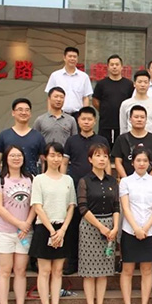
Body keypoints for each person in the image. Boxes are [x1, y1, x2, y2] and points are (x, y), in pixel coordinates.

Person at [29, 142, 76, 304]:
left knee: (57, 271)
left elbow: (71, 206)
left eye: (59, 155)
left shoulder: (68, 180)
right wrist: (52, 231)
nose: (56, 159)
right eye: (52, 155)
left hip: (62, 229)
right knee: (45, 271)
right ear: (45, 157)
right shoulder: (39, 179)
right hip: (44, 228)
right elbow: (37, 206)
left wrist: (62, 230)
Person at [0, 145, 35, 304]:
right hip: (4, 232)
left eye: (19, 155)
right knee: (5, 271)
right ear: (6, 159)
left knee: (21, 271)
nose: (16, 158)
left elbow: (35, 205)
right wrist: (19, 224)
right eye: (12, 155)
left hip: (24, 233)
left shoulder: (30, 179)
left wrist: (27, 224)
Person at [61, 106, 110, 275]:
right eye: (83, 119)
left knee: (97, 223)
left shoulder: (102, 140)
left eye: (90, 119)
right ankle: (73, 262)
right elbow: (64, 163)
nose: (86, 122)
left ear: (95, 121)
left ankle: (97, 261)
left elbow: (106, 163)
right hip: (75, 187)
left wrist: (108, 182)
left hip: (97, 188)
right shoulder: (71, 141)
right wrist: (63, 182)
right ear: (78, 121)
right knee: (74, 225)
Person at [77, 143, 120, 304]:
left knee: (103, 272)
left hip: (110, 226)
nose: (102, 159)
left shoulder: (112, 181)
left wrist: (115, 227)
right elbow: (82, 208)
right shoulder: (84, 181)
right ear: (90, 159)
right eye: (97, 155)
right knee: (89, 273)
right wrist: (100, 227)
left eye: (104, 156)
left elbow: (116, 206)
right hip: (90, 227)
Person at [119, 147, 152, 304]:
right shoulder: (126, 182)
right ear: (132, 163)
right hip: (130, 230)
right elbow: (125, 207)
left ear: (150, 163)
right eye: (138, 160)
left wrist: (145, 227)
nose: (142, 163)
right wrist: (136, 228)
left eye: (145, 160)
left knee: (147, 270)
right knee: (127, 270)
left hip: (150, 231)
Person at [0, 98, 46, 175]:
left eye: (27, 110)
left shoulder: (38, 136)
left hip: (31, 179)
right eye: (20, 110)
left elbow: (44, 161)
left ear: (30, 114)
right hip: (8, 179)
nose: (24, 113)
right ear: (13, 113)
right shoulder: (4, 135)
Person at [92, 54, 134, 147]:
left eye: (117, 64)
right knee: (103, 147)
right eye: (112, 65)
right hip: (106, 123)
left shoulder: (128, 84)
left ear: (121, 67)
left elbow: (132, 101)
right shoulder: (101, 84)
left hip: (122, 123)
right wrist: (104, 110)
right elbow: (95, 101)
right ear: (108, 67)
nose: (114, 67)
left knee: (121, 148)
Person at [112, 105, 152, 178]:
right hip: (127, 179)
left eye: (142, 117)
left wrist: (148, 179)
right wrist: (126, 180)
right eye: (136, 117)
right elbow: (118, 162)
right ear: (130, 119)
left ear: (146, 120)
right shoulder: (121, 139)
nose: (139, 120)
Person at [44, 47, 93, 118]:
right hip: (59, 114)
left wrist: (85, 116)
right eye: (70, 56)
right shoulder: (55, 75)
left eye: (74, 57)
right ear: (64, 58)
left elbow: (86, 98)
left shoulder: (84, 77)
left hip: (78, 115)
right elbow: (50, 97)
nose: (72, 59)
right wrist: (50, 115)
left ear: (77, 59)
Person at [119, 70, 152, 139]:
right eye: (139, 82)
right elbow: (123, 128)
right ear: (134, 84)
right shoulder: (125, 104)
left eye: (145, 82)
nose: (142, 85)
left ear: (149, 84)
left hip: (150, 141)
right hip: (130, 141)